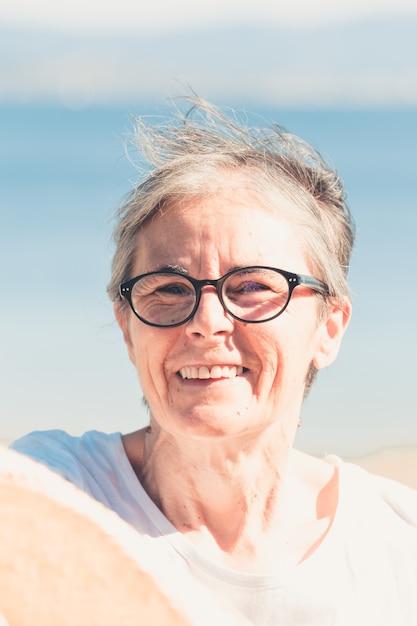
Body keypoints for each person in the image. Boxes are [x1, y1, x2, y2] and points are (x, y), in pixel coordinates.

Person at [10, 98, 417, 625]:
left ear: (329, 327)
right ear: (127, 328)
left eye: (252, 286)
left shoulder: (395, 546)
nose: (206, 319)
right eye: (169, 288)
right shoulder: (50, 496)